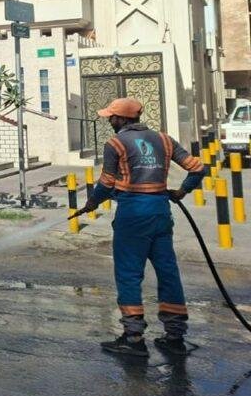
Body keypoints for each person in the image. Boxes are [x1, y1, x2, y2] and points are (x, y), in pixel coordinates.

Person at [78, 97, 209, 357]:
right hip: (160, 213)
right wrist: (182, 191)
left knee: (129, 274)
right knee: (168, 272)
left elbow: (107, 182)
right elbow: (198, 169)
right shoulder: (164, 140)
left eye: (111, 117)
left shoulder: (115, 144)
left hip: (132, 216)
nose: (109, 121)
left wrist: (93, 202)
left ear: (121, 119)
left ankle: (134, 337)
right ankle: (175, 337)